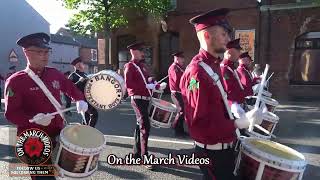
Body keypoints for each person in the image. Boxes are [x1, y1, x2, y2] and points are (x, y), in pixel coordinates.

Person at [179, 9, 261, 180]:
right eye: (223, 34)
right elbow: (199, 124)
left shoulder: (214, 64)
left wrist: (234, 111)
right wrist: (237, 123)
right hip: (212, 153)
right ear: (207, 36)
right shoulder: (197, 73)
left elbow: (218, 104)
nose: (228, 39)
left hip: (224, 147)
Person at [4, 32, 88, 180]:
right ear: (26, 52)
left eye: (47, 51)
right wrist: (32, 119)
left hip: (57, 134)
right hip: (33, 140)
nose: (45, 56)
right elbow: (11, 113)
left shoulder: (54, 74)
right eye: (39, 52)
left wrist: (80, 99)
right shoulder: (15, 81)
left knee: (64, 174)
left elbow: (70, 88)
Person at [124, 42, 166, 170]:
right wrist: (147, 86)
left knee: (139, 125)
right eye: (141, 51)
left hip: (146, 99)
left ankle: (136, 153)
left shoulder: (142, 66)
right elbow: (129, 84)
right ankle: (144, 157)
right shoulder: (129, 66)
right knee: (144, 126)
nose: (143, 54)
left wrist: (156, 84)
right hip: (137, 99)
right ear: (134, 52)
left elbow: (149, 79)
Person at [67, 57, 99, 127]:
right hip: (81, 99)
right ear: (78, 65)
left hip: (88, 98)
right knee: (94, 114)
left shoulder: (84, 74)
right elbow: (69, 89)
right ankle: (90, 130)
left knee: (86, 117)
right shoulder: (72, 75)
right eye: (82, 63)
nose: (84, 65)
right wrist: (79, 81)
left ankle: (85, 132)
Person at [220, 38, 246, 118]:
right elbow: (228, 90)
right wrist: (234, 104)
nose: (239, 54)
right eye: (237, 51)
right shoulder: (224, 68)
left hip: (238, 104)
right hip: (232, 108)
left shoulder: (231, 66)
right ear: (230, 52)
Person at [168, 51, 187, 137]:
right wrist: (191, 85)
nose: (184, 60)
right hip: (176, 93)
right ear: (177, 59)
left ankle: (180, 130)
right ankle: (176, 128)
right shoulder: (174, 68)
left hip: (181, 93)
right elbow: (178, 81)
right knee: (181, 111)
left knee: (183, 111)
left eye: (183, 58)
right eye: (182, 58)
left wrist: (195, 85)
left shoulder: (180, 68)